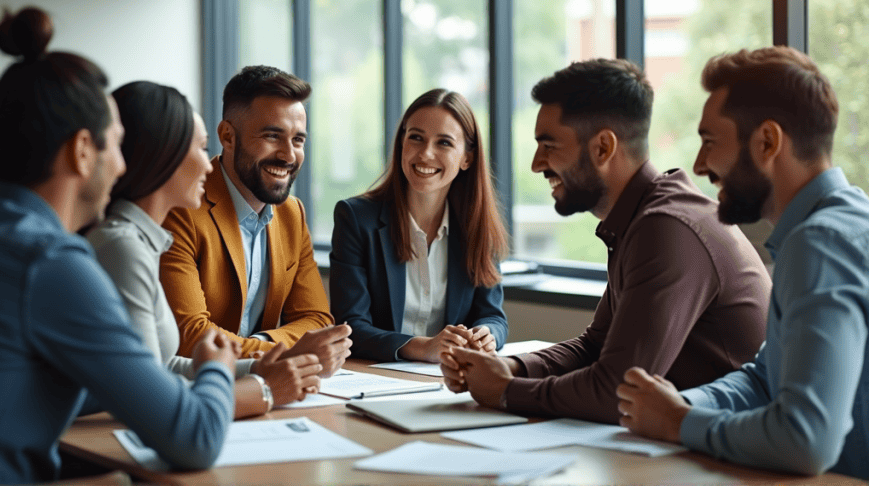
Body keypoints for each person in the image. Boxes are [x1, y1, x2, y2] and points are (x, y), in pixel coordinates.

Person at [0, 7, 236, 483]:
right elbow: (196, 439)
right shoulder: (50, 261)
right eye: (116, 144)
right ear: (81, 150)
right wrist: (215, 367)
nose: (121, 165)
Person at [441, 58, 771, 424]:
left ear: (602, 148)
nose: (537, 164)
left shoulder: (668, 229)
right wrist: (506, 368)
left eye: (549, 146)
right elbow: (594, 347)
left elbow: (615, 389)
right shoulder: (642, 219)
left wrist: (504, 391)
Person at [617, 47, 869, 480]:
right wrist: (679, 406)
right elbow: (764, 379)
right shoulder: (836, 226)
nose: (698, 164)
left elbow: (807, 439)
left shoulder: (820, 245)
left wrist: (679, 424)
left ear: (767, 142)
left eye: (710, 141)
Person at [86, 81, 322, 417]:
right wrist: (264, 390)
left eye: (298, 139)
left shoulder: (138, 240)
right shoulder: (124, 246)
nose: (210, 165)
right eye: (201, 148)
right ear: (163, 158)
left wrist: (259, 370)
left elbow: (163, 365)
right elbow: (153, 399)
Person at [160, 65, 350, 375]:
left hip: (265, 388)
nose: (289, 155)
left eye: (298, 140)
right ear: (227, 136)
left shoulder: (293, 213)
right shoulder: (182, 208)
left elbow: (317, 320)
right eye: (273, 136)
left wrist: (264, 345)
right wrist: (286, 353)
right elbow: (190, 337)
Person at [330, 88, 508, 363]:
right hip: (376, 377)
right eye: (416, 138)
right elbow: (350, 326)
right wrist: (422, 347)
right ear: (402, 142)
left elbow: (493, 315)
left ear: (467, 158)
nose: (425, 154)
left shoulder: (477, 226)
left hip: (447, 382)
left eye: (444, 143)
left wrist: (487, 335)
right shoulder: (355, 218)